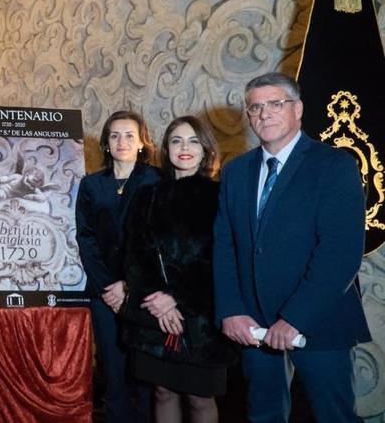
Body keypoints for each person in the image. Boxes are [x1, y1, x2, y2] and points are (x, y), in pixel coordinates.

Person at [213, 72, 371, 421]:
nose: (263, 114)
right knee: (263, 414)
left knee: (334, 415)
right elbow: (225, 246)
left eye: (274, 104)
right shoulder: (236, 171)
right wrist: (230, 309)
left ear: (297, 109)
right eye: (255, 107)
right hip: (252, 323)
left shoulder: (335, 165)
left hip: (320, 321)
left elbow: (339, 254)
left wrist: (295, 318)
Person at [122, 116, 236, 423]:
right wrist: (157, 301)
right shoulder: (146, 197)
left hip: (202, 319)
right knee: (163, 392)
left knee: (200, 398)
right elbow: (134, 256)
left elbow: (223, 260)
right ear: (166, 149)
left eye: (192, 141)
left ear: (206, 150)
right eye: (176, 141)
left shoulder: (221, 197)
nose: (184, 148)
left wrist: (177, 299)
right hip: (156, 316)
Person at [75, 110, 159, 422]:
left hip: (144, 293)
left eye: (129, 135)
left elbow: (157, 242)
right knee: (112, 371)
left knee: (145, 374)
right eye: (114, 136)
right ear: (107, 145)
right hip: (102, 293)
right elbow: (86, 238)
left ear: (141, 142)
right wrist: (108, 287)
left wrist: (129, 285)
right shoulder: (91, 185)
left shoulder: (156, 181)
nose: (121, 141)